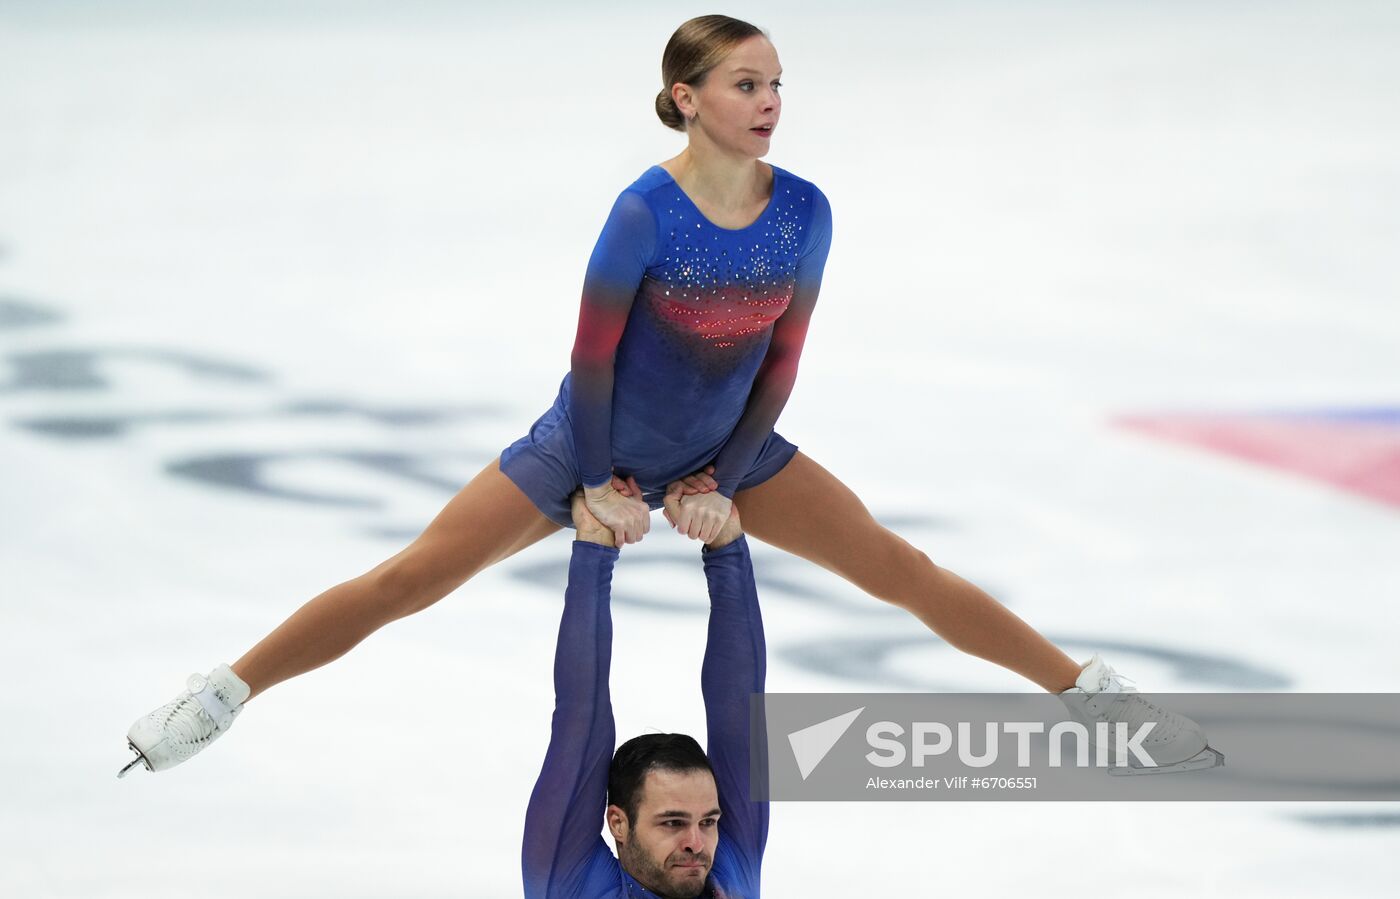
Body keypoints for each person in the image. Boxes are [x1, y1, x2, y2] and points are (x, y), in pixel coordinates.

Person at [120, 15, 1221, 779]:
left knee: (898, 567)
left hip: (725, 444)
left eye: (777, 83)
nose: (769, 102)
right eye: (746, 85)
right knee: (410, 575)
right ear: (686, 99)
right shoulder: (641, 213)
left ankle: (1090, 696)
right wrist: (598, 481)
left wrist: (722, 479)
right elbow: (591, 360)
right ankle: (221, 692)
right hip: (586, 443)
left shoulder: (806, 210)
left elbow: (782, 361)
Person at [523, 485, 764, 898]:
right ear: (618, 822)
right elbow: (581, 717)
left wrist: (728, 542)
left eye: (708, 821)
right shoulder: (572, 884)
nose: (697, 843)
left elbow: (742, 709)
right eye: (672, 822)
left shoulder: (726, 869)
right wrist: (594, 550)